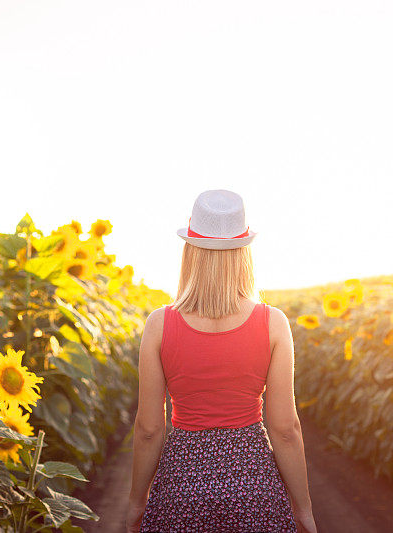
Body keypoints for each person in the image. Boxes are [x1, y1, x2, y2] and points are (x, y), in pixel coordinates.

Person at [126, 189, 317, 533]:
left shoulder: (159, 324)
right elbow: (285, 429)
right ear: (244, 254)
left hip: (181, 485)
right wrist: (303, 509)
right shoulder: (273, 323)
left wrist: (137, 503)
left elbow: (150, 428)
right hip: (254, 482)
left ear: (190, 252)